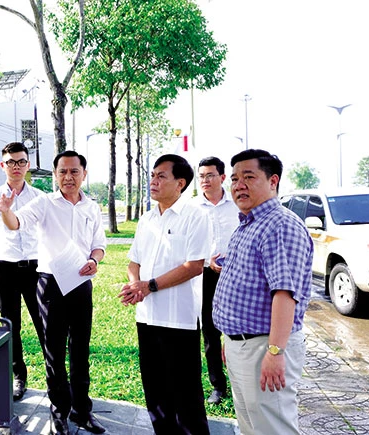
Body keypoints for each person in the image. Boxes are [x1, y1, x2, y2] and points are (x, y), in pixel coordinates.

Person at [0, 150, 107, 435]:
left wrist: (94, 260)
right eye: (62, 172)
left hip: (81, 283)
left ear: (84, 174)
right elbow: (16, 223)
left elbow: (99, 245)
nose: (68, 177)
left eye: (74, 171)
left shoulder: (92, 207)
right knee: (54, 352)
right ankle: (59, 413)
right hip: (50, 286)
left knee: (80, 350)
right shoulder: (44, 203)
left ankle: (82, 411)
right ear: (55, 175)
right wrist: (7, 210)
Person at [213, 149, 313, 435]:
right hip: (244, 345)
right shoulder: (248, 224)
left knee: (272, 428)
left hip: (265, 346)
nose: (238, 185)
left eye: (249, 177)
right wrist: (231, 338)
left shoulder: (279, 225)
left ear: (273, 181)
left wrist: (275, 351)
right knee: (251, 426)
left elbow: (285, 294)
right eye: (234, 179)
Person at [118, 154, 211, 435]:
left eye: (161, 176)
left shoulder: (195, 216)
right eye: (152, 175)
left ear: (180, 183)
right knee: (155, 390)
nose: (153, 181)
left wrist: (149, 286)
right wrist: (135, 285)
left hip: (178, 319)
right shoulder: (147, 219)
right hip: (147, 317)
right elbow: (134, 262)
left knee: (185, 394)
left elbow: (194, 266)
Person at [0, 142, 45, 401]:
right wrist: (0, 259)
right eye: (11, 162)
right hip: (4, 269)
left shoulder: (39, 197)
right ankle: (19, 376)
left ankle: (55, 376)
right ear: (2, 165)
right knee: (10, 325)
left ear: (28, 165)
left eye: (21, 161)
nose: (16, 166)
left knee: (45, 323)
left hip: (36, 269)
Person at [196, 156, 240, 405]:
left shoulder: (237, 203)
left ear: (222, 177)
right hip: (205, 275)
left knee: (238, 329)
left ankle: (240, 382)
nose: (205, 180)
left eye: (210, 175)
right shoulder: (192, 208)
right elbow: (188, 243)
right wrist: (206, 260)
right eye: (201, 176)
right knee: (210, 332)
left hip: (236, 275)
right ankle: (218, 385)